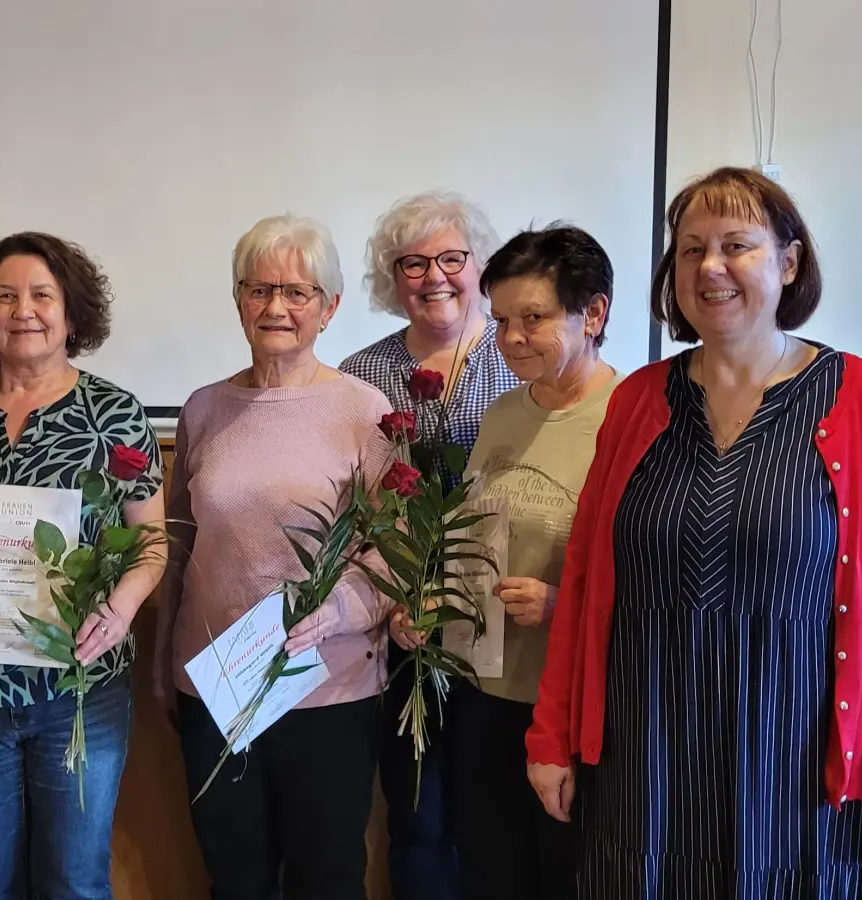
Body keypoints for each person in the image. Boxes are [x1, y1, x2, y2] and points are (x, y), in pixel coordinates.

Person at [526, 167, 862, 899]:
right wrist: (552, 736)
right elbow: (588, 581)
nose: (710, 267)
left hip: (805, 769)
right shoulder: (636, 401)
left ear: (788, 263)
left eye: (737, 245)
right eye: (691, 249)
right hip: (647, 759)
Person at [0, 232, 166, 900]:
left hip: (79, 687)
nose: (24, 310)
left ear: (71, 313)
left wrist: (125, 605)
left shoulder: (115, 415)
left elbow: (151, 542)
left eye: (41, 295)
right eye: (5, 295)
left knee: (75, 881)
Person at [156, 214, 393, 900]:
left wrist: (340, 611)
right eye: (259, 290)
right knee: (235, 874)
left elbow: (394, 552)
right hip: (215, 687)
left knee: (327, 877)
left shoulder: (363, 410)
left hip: (329, 686)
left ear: (330, 307)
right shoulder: (204, 408)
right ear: (238, 301)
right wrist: (161, 663)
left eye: (297, 292)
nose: (276, 308)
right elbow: (178, 538)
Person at [393, 225, 620, 899]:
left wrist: (559, 604)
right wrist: (437, 599)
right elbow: (475, 537)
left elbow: (659, 575)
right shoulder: (499, 415)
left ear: (595, 314)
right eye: (501, 322)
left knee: (567, 877)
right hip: (484, 692)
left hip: (577, 710)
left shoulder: (633, 416)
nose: (514, 338)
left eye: (535, 318)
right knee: (488, 872)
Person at [339, 190, 521, 899]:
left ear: (480, 266)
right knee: (417, 816)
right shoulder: (362, 375)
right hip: (399, 627)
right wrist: (389, 602)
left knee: (496, 813)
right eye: (412, 264)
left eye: (451, 258)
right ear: (392, 280)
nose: (433, 277)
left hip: (504, 620)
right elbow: (351, 506)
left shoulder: (522, 359)